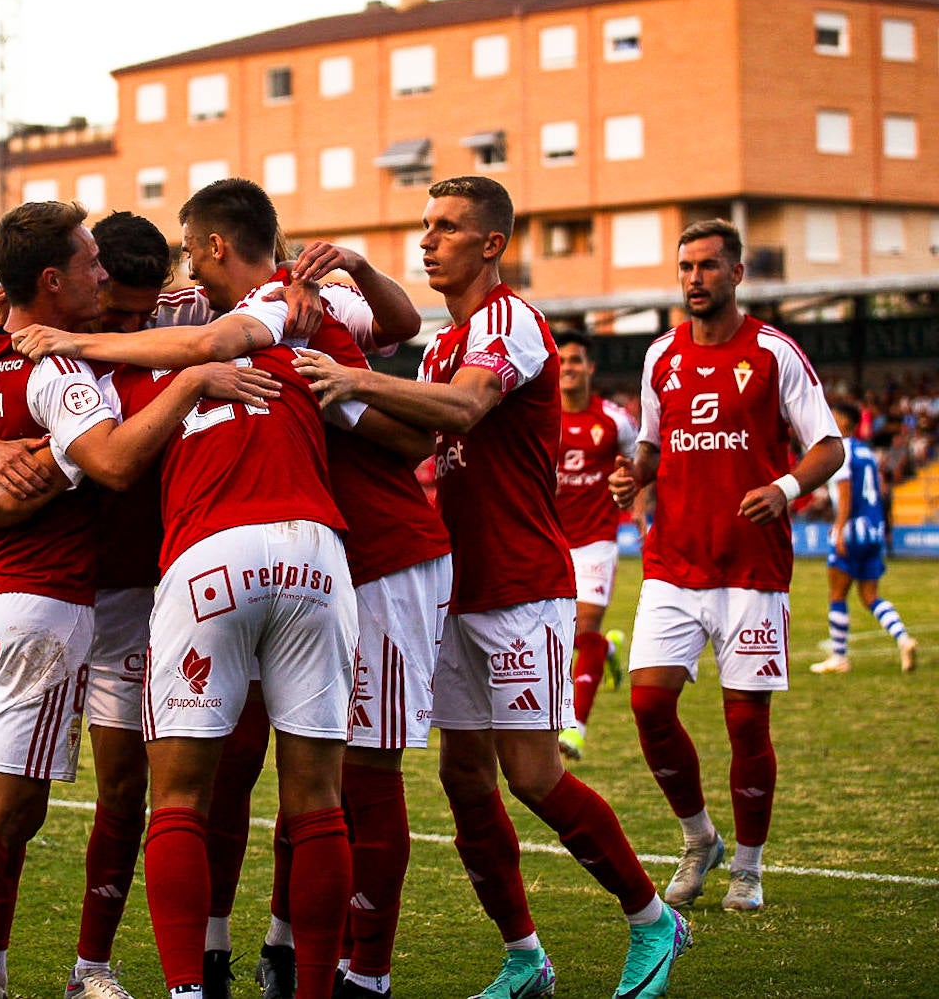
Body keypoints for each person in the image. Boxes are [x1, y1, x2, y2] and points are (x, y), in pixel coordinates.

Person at [0, 200, 275, 999]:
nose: (125, 315)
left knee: (106, 791)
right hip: (49, 594)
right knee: (8, 800)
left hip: (131, 593)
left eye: (143, 310)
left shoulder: (176, 321)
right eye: (109, 297)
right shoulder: (40, 349)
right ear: (71, 279)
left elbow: (243, 296)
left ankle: (89, 967)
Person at [12, 181, 443, 999]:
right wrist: (351, 384)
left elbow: (98, 446)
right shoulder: (299, 339)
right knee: (320, 797)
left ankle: (188, 986)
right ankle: (313, 982)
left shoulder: (139, 362)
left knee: (178, 794)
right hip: (319, 555)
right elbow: (404, 410)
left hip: (210, 558)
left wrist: (46, 346)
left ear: (209, 247)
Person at [294, 175, 690, 999]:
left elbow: (465, 411)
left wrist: (354, 379)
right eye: (424, 225)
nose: (427, 240)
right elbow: (411, 441)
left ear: (492, 242)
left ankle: (653, 916)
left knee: (535, 773)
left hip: (521, 583)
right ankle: (524, 955)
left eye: (444, 227)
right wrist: (335, 403)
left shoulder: (511, 324)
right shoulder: (443, 343)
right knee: (464, 779)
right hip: (454, 583)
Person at [609, 218, 844, 914]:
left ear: (737, 273)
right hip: (674, 561)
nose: (695, 279)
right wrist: (634, 476)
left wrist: (785, 488)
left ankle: (748, 864)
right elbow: (651, 446)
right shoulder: (660, 357)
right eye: (686, 267)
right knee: (649, 703)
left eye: (709, 266)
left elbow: (828, 444)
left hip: (751, 568)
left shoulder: (774, 353)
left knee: (746, 722)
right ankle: (697, 836)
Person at [553, 330, 638, 761]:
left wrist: (637, 504)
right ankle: (606, 649)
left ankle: (575, 728)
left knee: (583, 630)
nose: (568, 368)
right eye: (562, 361)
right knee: (560, 636)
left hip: (595, 543)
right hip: (549, 539)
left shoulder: (614, 420)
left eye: (576, 361)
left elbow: (637, 463)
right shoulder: (540, 415)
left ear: (590, 368)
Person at [810, 400, 918, 675]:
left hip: (852, 529)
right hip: (873, 529)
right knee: (870, 595)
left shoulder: (840, 449)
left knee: (837, 593)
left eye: (833, 415)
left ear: (844, 422)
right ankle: (904, 639)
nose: (828, 419)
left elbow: (845, 492)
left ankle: (839, 657)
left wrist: (840, 529)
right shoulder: (866, 451)